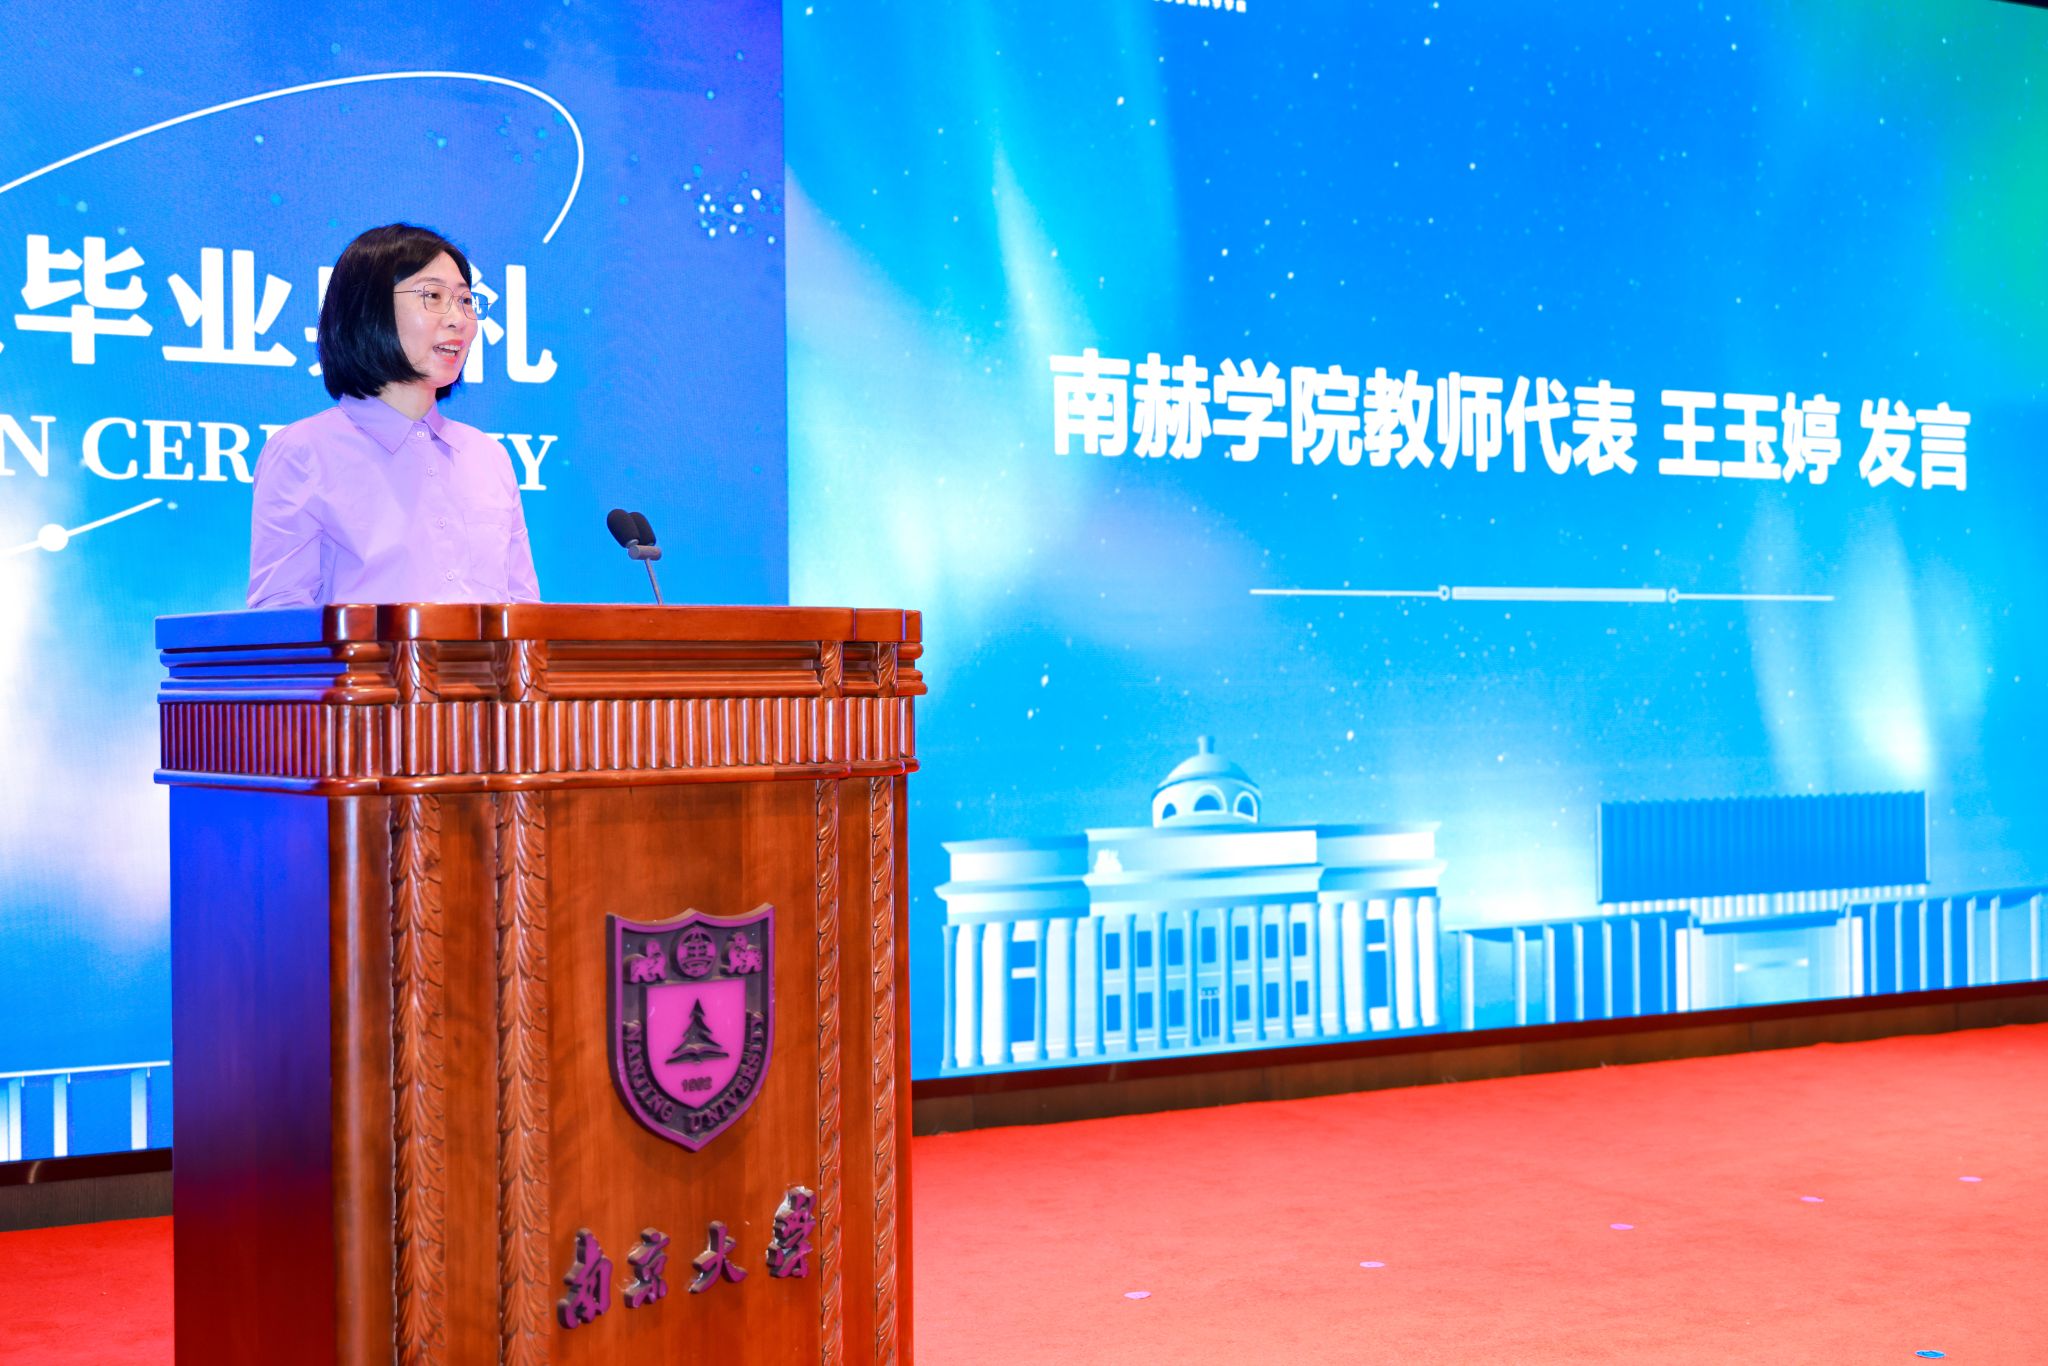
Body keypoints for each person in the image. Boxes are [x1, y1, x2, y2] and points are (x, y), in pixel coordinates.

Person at [246, 223, 540, 607]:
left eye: (466, 300)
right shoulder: (304, 452)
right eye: (433, 296)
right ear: (370, 310)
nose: (458, 318)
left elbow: (524, 613)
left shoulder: (488, 457)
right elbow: (281, 616)